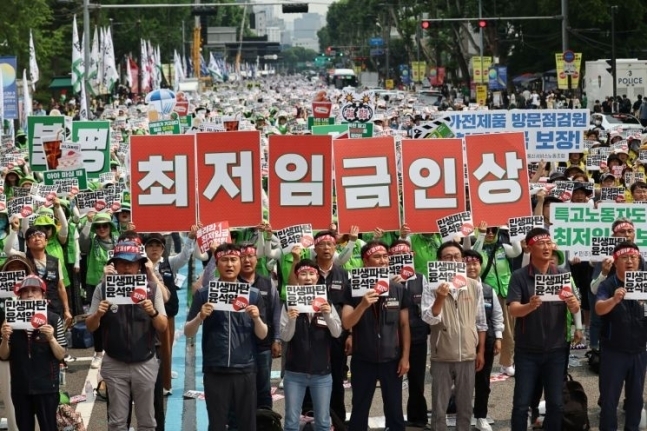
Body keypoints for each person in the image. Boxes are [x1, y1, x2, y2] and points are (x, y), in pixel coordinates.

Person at [85, 240, 168, 431]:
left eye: (132, 262)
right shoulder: (103, 288)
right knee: (117, 422)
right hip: (114, 363)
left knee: (147, 421)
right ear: (115, 265)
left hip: (145, 362)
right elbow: (90, 326)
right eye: (122, 262)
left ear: (140, 265)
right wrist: (98, 313)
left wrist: (152, 312)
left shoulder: (152, 289)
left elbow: (162, 326)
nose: (127, 267)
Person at [185, 242, 268, 431]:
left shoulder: (253, 295)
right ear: (217, 263)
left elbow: (263, 335)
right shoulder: (205, 294)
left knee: (247, 424)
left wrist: (256, 319)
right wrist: (200, 317)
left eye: (233, 260)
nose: (229, 265)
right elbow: (189, 331)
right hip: (215, 369)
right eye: (224, 260)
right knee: (217, 424)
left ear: (239, 263)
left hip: (245, 369)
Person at [507, 228, 580, 431]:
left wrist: (574, 304)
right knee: (521, 404)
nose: (546, 247)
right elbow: (513, 309)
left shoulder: (562, 275)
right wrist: (529, 306)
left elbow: (575, 308)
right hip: (527, 351)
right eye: (541, 243)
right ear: (530, 248)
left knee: (556, 404)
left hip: (557, 350)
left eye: (549, 243)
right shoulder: (519, 277)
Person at [341, 240, 410, 431]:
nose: (382, 261)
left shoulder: (398, 289)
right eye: (376, 257)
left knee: (395, 409)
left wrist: (405, 358)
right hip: (363, 358)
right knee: (360, 409)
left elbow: (404, 325)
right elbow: (347, 322)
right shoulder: (352, 288)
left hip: (392, 359)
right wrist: (362, 305)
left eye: (385, 256)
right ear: (365, 261)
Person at [422, 241, 487, 431]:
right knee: (439, 406)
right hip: (442, 353)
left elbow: (481, 321)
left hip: (468, 353)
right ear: (439, 261)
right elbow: (429, 318)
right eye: (447, 257)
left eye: (456, 257)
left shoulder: (474, 285)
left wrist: (480, 351)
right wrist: (440, 297)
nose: (452, 260)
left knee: (466, 405)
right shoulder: (431, 286)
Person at [280, 259, 342, 431]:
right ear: (297, 277)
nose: (308, 278)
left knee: (323, 422)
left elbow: (337, 333)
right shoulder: (289, 303)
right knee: (291, 422)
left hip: (322, 374)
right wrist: (292, 319)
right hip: (294, 373)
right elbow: (285, 337)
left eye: (311, 274)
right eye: (303, 274)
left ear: (317, 277)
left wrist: (328, 315)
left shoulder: (326, 303)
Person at [0, 274, 67, 431]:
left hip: (46, 386)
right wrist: (4, 339)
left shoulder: (53, 318)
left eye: (34, 290)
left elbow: (61, 354)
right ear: (20, 296)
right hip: (20, 386)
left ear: (43, 295)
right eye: (25, 291)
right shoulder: (10, 320)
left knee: (49, 427)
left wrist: (51, 339)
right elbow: (3, 355)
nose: (29, 294)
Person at [595, 241, 647, 430]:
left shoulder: (644, 282)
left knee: (635, 399)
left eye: (634, 257)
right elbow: (599, 308)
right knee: (609, 400)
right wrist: (614, 299)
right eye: (624, 258)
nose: (630, 261)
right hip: (613, 351)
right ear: (615, 262)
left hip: (640, 351)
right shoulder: (608, 284)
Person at [387, 240, 430, 427]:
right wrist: (391, 286)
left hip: (418, 336)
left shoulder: (421, 278)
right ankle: (394, 420)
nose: (401, 259)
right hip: (391, 338)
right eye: (397, 256)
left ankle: (417, 417)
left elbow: (428, 307)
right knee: (392, 383)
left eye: (405, 255)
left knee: (417, 380)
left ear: (411, 256)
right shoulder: (384, 280)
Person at [472, 223, 521, 377]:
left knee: (508, 330)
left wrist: (514, 231)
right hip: (485, 294)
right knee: (483, 329)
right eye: (488, 231)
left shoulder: (502, 247)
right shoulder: (477, 249)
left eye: (494, 230)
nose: (490, 233)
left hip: (505, 293)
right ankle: (478, 360)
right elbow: (474, 252)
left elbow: (517, 251)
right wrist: (480, 234)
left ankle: (506, 363)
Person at [463, 249, 503, 431]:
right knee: (462, 383)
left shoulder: (488, 289)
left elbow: (496, 315)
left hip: (485, 342)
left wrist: (499, 338)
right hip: (462, 343)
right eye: (467, 263)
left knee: (483, 382)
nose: (471, 267)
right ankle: (461, 416)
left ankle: (480, 416)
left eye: (475, 263)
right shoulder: (456, 288)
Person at [238, 242, 281, 409]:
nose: (247, 260)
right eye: (242, 257)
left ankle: (265, 422)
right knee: (242, 390)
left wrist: (276, 338)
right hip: (239, 347)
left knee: (263, 389)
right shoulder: (231, 284)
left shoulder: (267, 282)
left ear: (257, 259)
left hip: (263, 346)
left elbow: (276, 311)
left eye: (250, 256)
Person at [5, 222, 72, 326]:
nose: (37, 239)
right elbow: (7, 250)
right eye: (32, 236)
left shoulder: (55, 261)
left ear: (46, 241)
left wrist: (66, 310)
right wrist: (14, 230)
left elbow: (60, 287)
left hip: (53, 308)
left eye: (40, 236)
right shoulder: (23, 258)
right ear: (27, 243)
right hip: (30, 309)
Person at [79, 211, 120, 368]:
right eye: (98, 226)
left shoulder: (118, 241)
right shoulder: (91, 241)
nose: (102, 229)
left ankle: (114, 349)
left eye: (105, 226)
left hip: (116, 284)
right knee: (97, 317)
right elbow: (82, 242)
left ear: (110, 227)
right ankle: (98, 352)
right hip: (94, 284)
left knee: (115, 317)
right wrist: (88, 223)